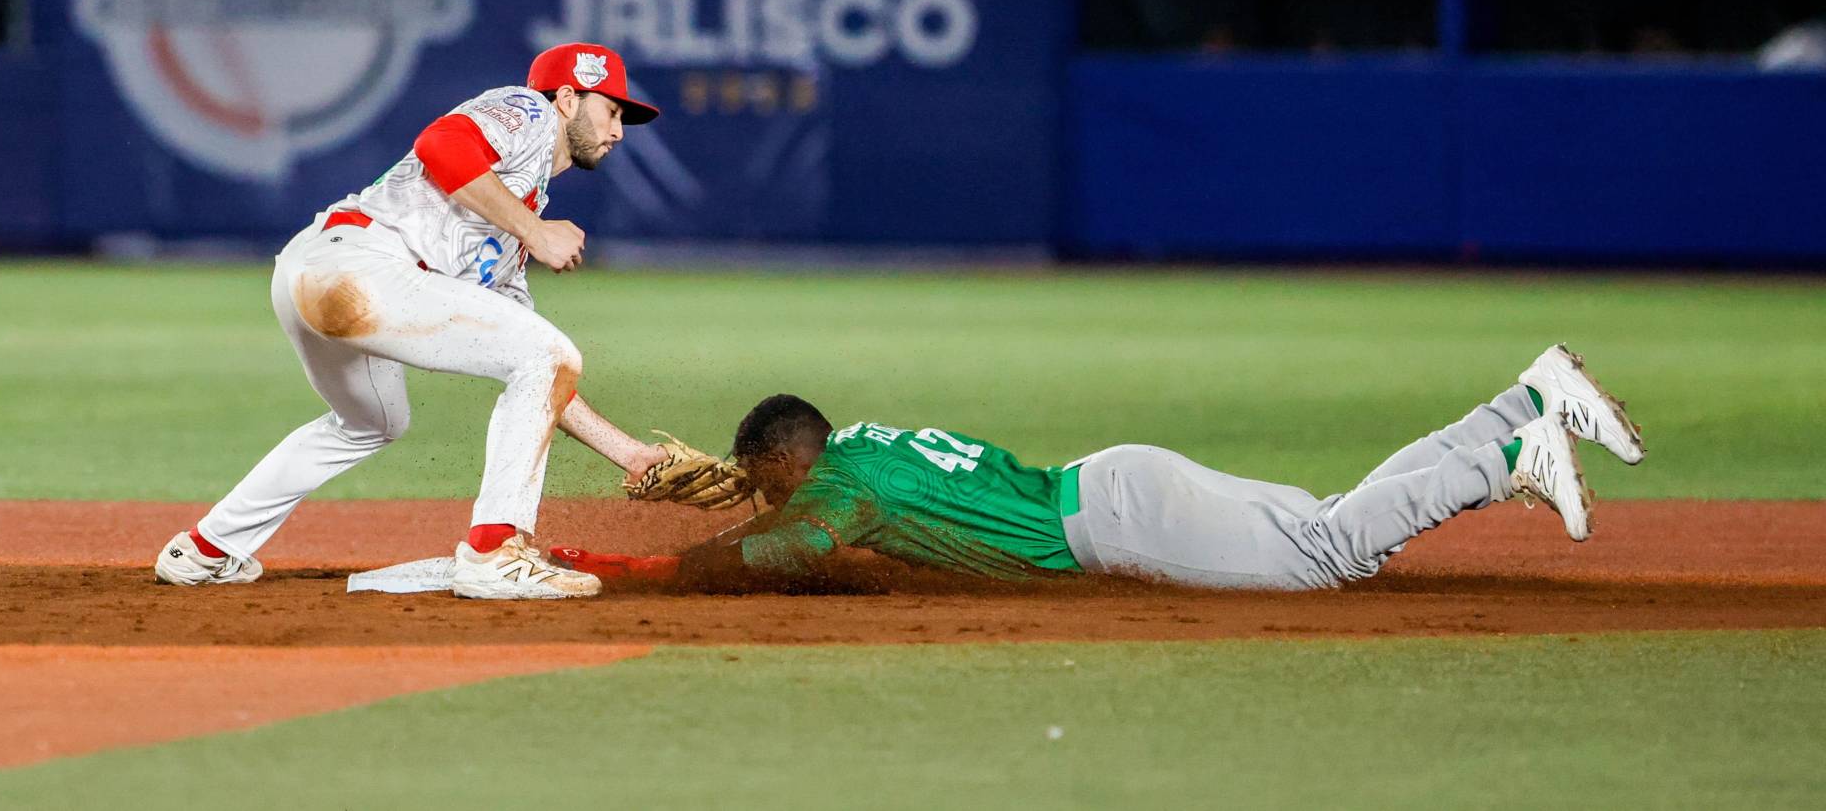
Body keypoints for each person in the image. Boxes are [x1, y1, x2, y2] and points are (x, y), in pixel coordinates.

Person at [155, 42, 715, 600]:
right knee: (544, 355)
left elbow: (542, 381)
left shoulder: (516, 212)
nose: (619, 130)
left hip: (318, 274)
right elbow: (441, 144)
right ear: (568, 98)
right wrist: (536, 232)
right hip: (358, 265)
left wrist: (632, 454)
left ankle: (208, 549)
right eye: (612, 110)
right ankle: (495, 552)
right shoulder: (529, 112)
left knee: (376, 421)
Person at [555, 346, 1646, 593]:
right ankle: (1525, 397)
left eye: (763, 476)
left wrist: (633, 567)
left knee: (1327, 553)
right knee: (1330, 515)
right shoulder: (865, 441)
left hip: (1117, 522)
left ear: (790, 458)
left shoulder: (835, 488)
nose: (766, 492)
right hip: (1114, 480)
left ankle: (1512, 453)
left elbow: (786, 545)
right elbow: (796, 508)